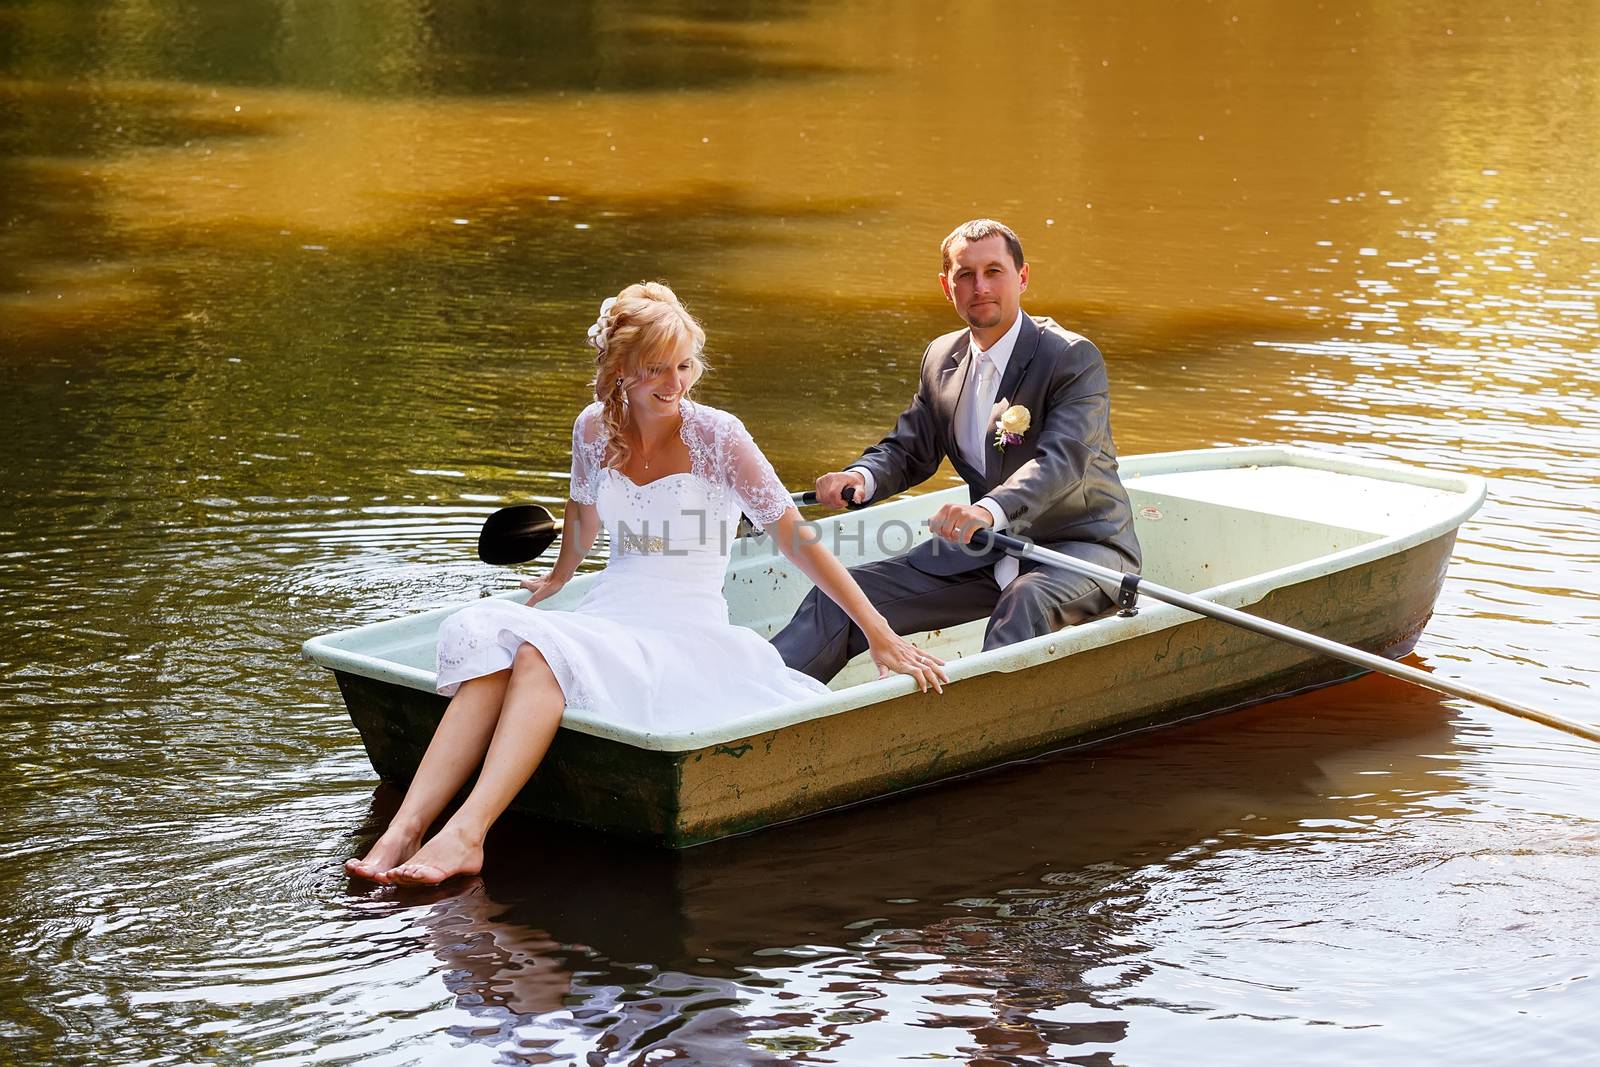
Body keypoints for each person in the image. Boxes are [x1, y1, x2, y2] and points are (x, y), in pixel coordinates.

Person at [347, 282, 947, 887]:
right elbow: (582, 515)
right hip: (612, 609)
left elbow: (799, 544)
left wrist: (879, 632)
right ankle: (405, 827)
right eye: (656, 368)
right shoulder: (592, 429)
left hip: (684, 626)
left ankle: (468, 834)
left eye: (684, 364)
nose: (675, 382)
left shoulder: (720, 436)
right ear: (619, 371)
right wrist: (558, 578)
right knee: (492, 646)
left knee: (537, 655)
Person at [771, 219, 1141, 682]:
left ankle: (976, 732)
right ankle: (756, 700)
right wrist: (861, 477)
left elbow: (1063, 462)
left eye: (994, 271)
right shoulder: (941, 358)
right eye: (965, 274)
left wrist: (987, 511)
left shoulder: (1070, 357)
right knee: (842, 594)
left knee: (1023, 601)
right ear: (947, 287)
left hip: (1079, 550)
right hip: (984, 550)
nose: (980, 286)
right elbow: (910, 448)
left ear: (1022, 277)